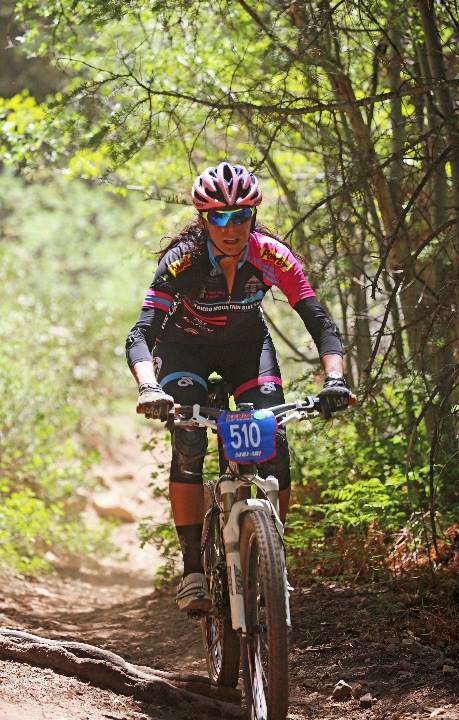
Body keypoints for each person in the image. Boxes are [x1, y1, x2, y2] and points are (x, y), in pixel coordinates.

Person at [126, 161, 350, 613]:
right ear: (203, 219)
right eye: (219, 217)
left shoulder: (272, 256)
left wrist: (335, 379)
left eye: (241, 215)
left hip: (247, 350)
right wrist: (149, 387)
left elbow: (320, 323)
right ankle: (193, 570)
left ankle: (272, 557)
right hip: (184, 351)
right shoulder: (183, 260)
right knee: (189, 440)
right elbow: (141, 334)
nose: (231, 228)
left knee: (274, 442)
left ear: (253, 214)